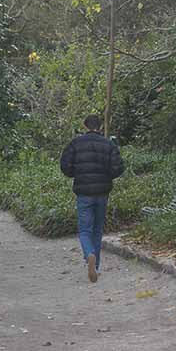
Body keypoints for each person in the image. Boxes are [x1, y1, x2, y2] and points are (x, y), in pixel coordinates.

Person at [60, 114, 125, 283]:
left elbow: (65, 165)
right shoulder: (109, 144)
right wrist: (107, 176)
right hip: (102, 192)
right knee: (97, 229)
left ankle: (89, 254)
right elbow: (118, 167)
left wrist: (77, 173)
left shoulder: (75, 143)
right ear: (100, 127)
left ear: (85, 126)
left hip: (83, 192)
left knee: (84, 230)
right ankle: (95, 266)